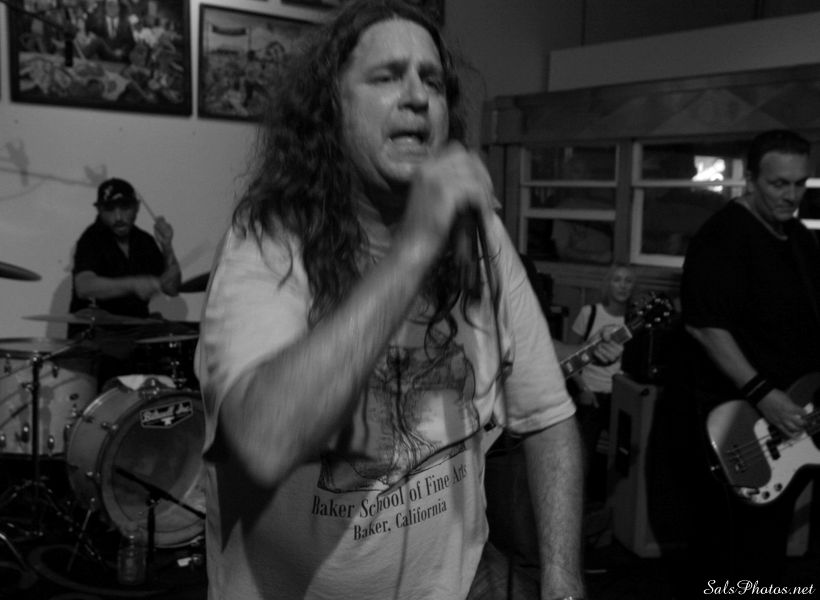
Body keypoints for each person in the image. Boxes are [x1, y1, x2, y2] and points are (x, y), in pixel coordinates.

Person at [194, 1, 621, 598]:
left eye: (433, 82)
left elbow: (548, 417)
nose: (418, 96)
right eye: (388, 76)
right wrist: (417, 244)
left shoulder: (480, 237)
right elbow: (262, 441)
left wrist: (563, 579)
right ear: (331, 108)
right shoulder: (268, 241)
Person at [680, 129, 820, 589]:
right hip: (743, 421)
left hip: (796, 415)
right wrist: (764, 395)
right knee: (736, 552)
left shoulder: (798, 237)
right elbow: (706, 328)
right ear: (750, 179)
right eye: (779, 184)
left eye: (800, 183)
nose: (791, 195)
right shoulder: (722, 237)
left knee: (770, 547)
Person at [69, 177, 182, 382]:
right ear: (99, 210)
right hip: (100, 333)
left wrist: (167, 246)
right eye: (110, 209)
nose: (118, 216)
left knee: (188, 336)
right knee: (120, 359)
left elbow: (172, 288)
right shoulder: (91, 239)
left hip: (137, 331)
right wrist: (133, 284)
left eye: (125, 207)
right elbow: (83, 286)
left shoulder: (144, 241)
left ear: (136, 208)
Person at [566, 264, 636, 504]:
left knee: (622, 458)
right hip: (591, 394)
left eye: (628, 280)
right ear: (608, 284)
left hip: (621, 396)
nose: (623, 285)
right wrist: (582, 389)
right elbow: (570, 355)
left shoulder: (633, 321)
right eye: (617, 279)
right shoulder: (590, 313)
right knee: (582, 456)